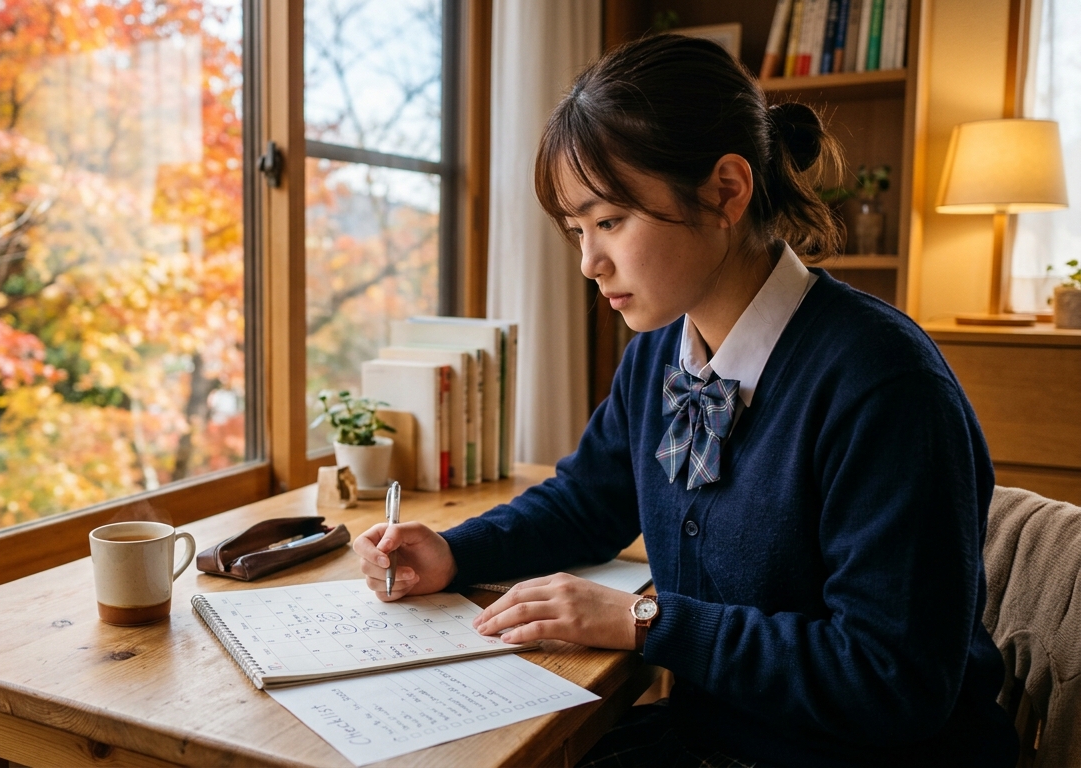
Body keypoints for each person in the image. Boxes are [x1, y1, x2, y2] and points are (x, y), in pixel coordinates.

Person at [352, 34, 1017, 768]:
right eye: (576, 230)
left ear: (726, 190)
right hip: (716, 740)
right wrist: (452, 550)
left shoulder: (882, 385)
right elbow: (586, 503)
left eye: (610, 221)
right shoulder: (659, 358)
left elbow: (889, 680)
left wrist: (645, 619)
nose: (588, 262)